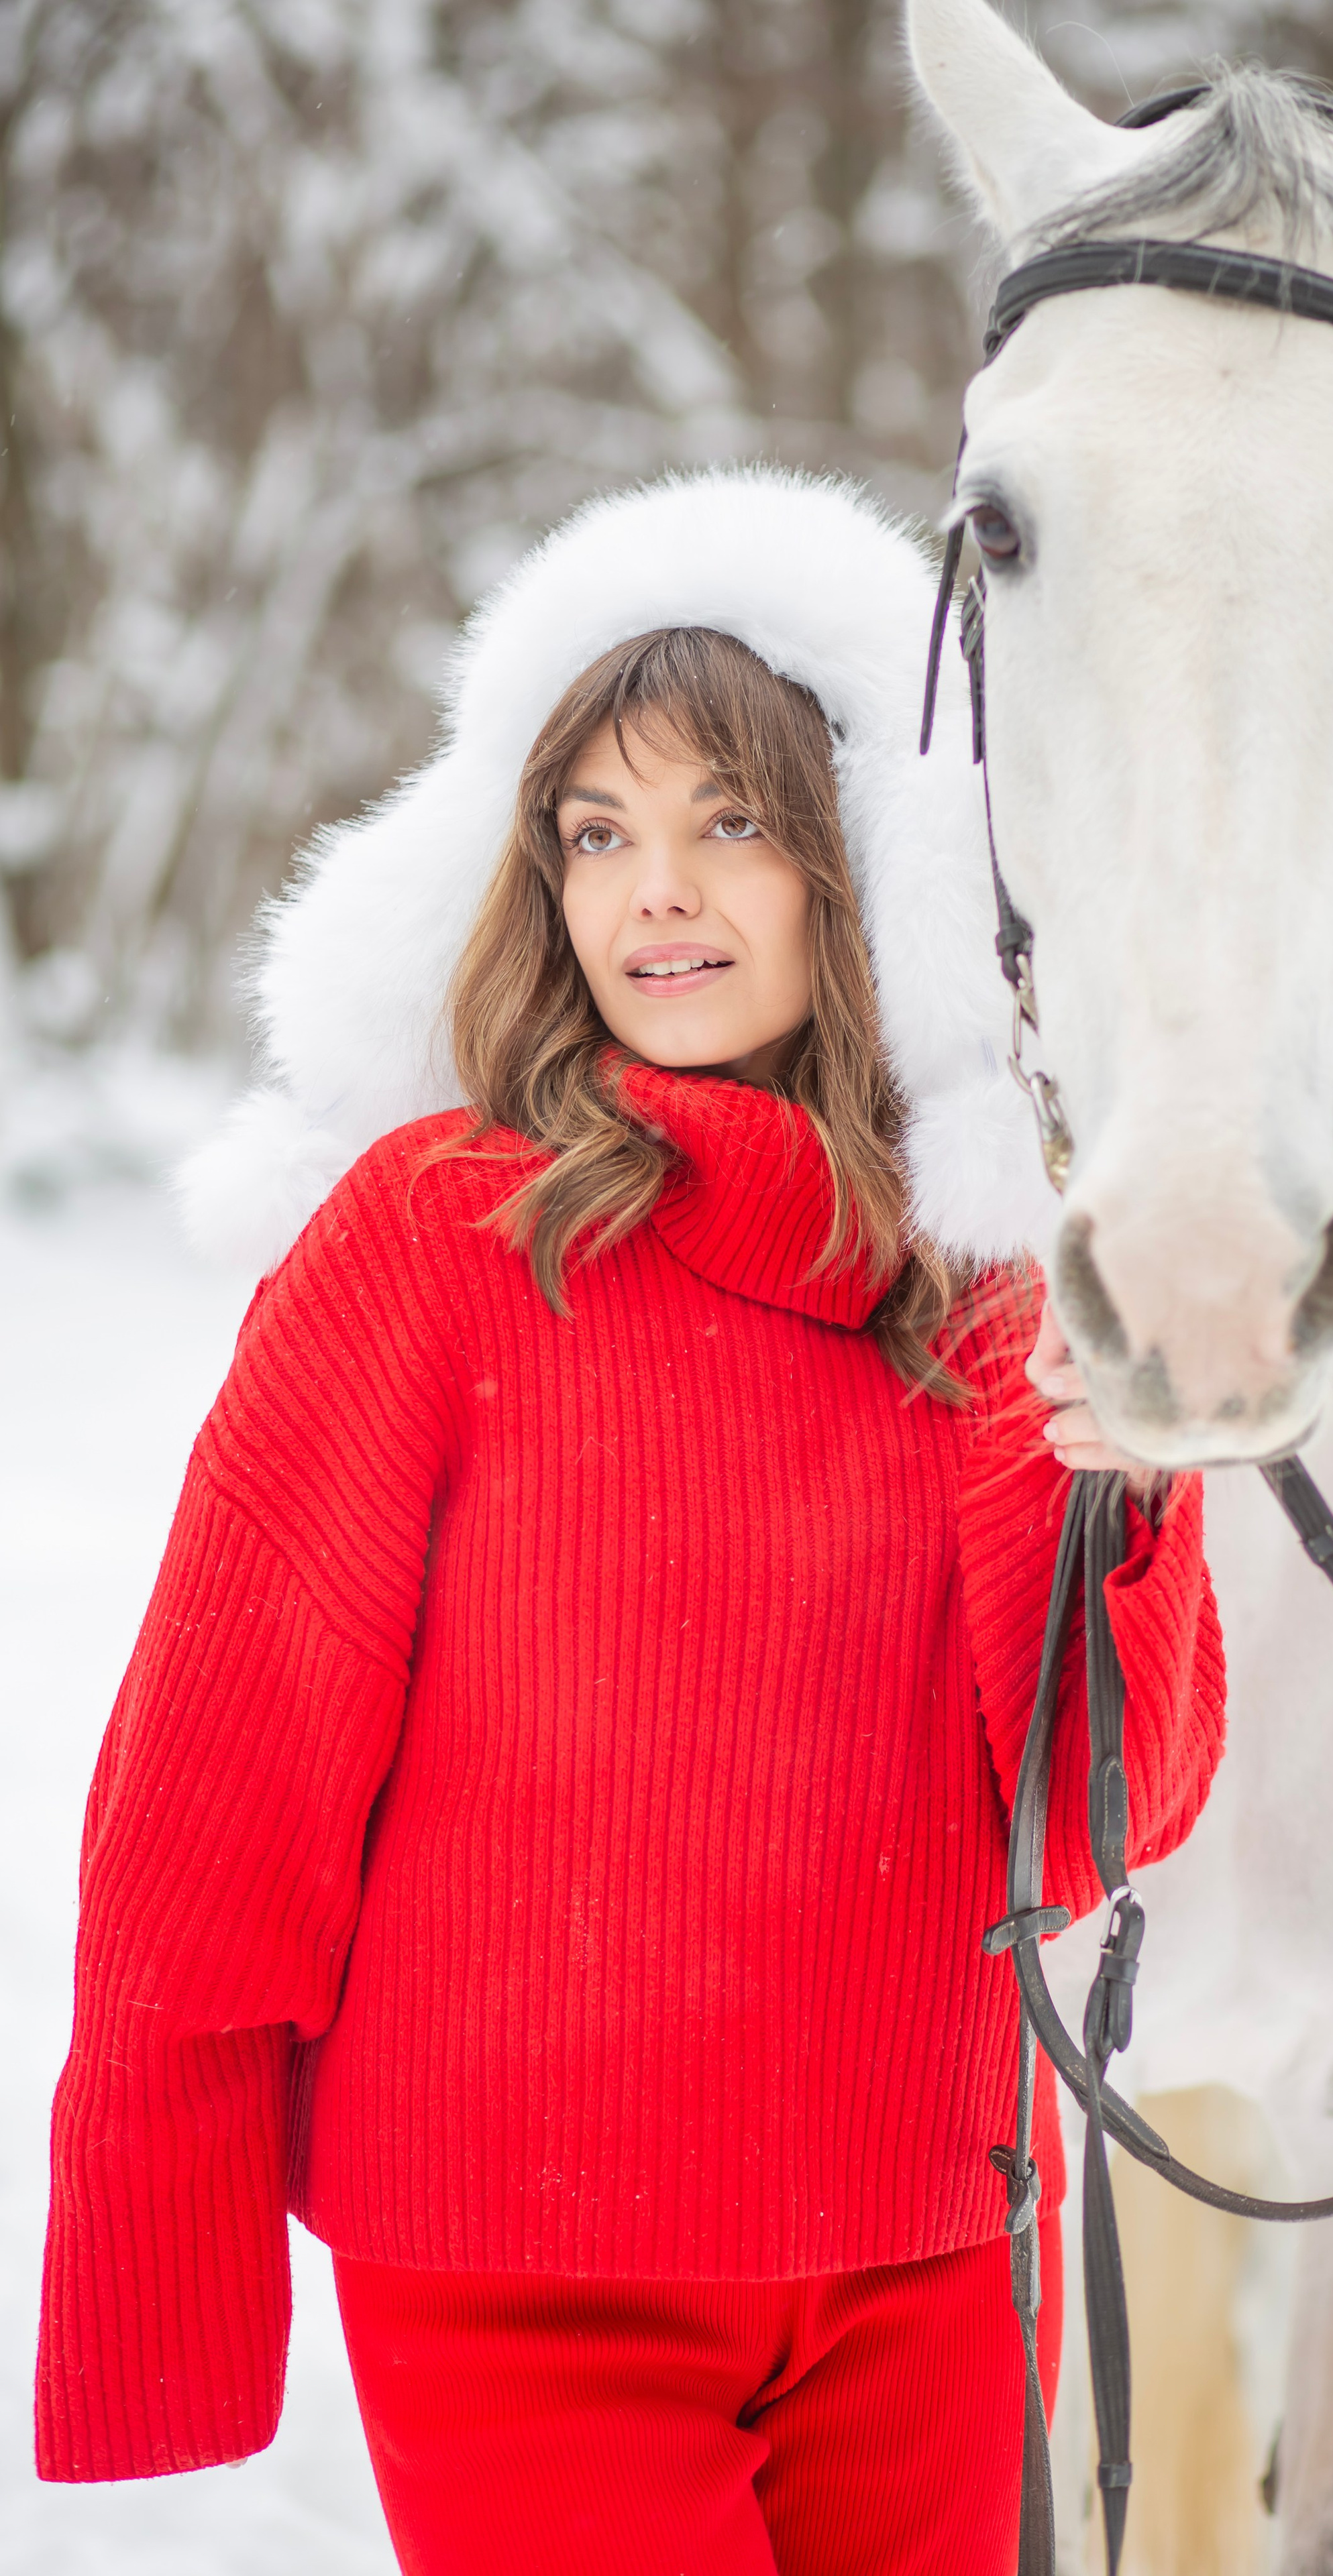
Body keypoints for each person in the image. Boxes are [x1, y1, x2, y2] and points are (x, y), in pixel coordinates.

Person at [36, 470, 1226, 2575]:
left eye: (729, 822)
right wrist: (163, 2221)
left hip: (928, 2241)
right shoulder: (431, 1241)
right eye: (597, 832)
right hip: (522, 2272)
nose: (652, 893)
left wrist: (1123, 1483)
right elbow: (222, 1778)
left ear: (866, 867)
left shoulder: (987, 1288)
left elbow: (1100, 1799)